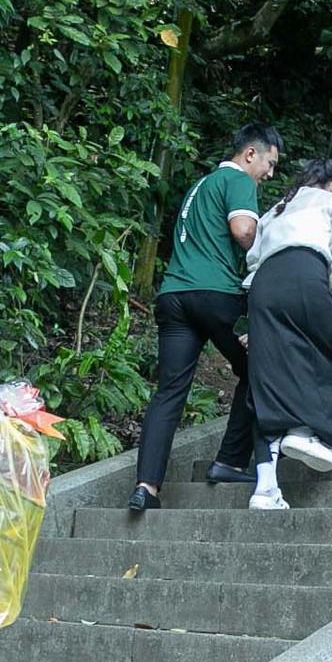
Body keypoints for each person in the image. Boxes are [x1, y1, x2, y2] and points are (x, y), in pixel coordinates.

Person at [133, 125, 281, 513]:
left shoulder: (200, 186)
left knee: (169, 392)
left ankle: (146, 486)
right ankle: (231, 461)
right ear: (251, 153)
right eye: (270, 163)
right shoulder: (238, 181)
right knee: (257, 369)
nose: (270, 174)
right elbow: (243, 229)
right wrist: (269, 251)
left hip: (173, 296)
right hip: (214, 294)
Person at [243, 159, 332, 508]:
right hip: (305, 275)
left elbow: (254, 261)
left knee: (267, 383)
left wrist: (256, 325)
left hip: (263, 289)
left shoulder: (276, 210)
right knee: (327, 356)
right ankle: (305, 432)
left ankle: (265, 488)